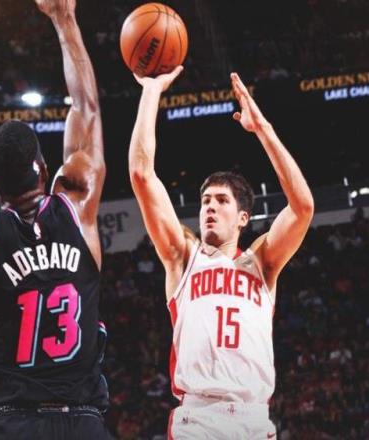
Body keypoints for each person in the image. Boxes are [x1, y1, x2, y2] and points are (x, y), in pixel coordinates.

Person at [129, 67, 314, 439]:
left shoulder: (262, 262)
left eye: (221, 200)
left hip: (253, 419)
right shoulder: (183, 257)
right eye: (205, 201)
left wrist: (263, 129)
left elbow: (303, 207)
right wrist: (151, 91)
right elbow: (142, 175)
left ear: (243, 217)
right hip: (198, 419)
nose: (210, 207)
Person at [0, 0, 111, 438]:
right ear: (44, 169)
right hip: (82, 421)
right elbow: (87, 109)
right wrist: (65, 19)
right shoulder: (78, 205)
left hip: (12, 423)